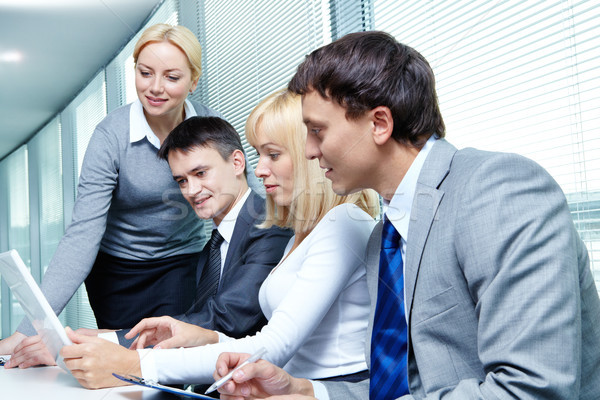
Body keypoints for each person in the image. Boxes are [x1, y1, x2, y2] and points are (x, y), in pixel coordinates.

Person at [214, 31, 600, 400]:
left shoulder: (495, 189)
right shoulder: (384, 238)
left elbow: (532, 389)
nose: (310, 151)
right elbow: (408, 388)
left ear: (379, 124)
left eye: (317, 131)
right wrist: (307, 392)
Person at [59, 88, 380, 390]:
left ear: (309, 154)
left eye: (273, 155)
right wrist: (201, 337)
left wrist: (137, 363)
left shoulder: (341, 221)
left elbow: (273, 345)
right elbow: (271, 344)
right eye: (260, 155)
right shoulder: (300, 232)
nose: (261, 170)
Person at [0, 23, 260, 368]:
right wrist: (30, 328)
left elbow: (246, 196)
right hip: (116, 273)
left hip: (179, 264)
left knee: (168, 357)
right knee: (120, 366)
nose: (155, 88)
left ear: (193, 81)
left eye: (171, 77)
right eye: (145, 72)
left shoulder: (211, 130)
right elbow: (83, 234)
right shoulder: (110, 136)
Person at [91, 116, 292, 351]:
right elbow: (196, 323)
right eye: (181, 180)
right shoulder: (212, 248)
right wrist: (108, 336)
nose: (192, 190)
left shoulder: (270, 226)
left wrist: (114, 340)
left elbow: (227, 318)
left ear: (237, 162)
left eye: (201, 173)